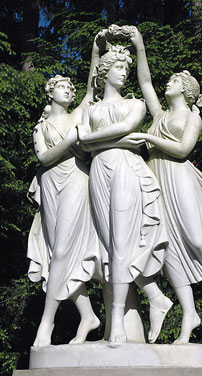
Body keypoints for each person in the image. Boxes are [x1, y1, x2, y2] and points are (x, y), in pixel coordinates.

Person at [127, 28, 202, 344]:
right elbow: (144, 82)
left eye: (175, 81)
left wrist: (149, 138)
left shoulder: (192, 117)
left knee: (195, 237)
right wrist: (139, 46)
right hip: (154, 181)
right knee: (166, 251)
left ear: (187, 90)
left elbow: (182, 150)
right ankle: (188, 314)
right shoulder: (159, 113)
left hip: (179, 178)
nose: (168, 83)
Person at [79, 44, 173, 343]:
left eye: (126, 69)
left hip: (125, 168)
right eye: (119, 68)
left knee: (121, 242)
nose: (124, 73)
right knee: (108, 245)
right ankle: (155, 297)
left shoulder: (136, 105)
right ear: (104, 72)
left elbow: (127, 126)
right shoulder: (91, 109)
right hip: (99, 171)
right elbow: (82, 144)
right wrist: (99, 142)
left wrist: (92, 140)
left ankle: (117, 323)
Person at [27, 39, 103, 347]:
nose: (69, 91)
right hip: (51, 186)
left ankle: (46, 324)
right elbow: (44, 159)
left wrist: (96, 50)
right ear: (51, 92)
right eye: (63, 88)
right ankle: (88, 315)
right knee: (60, 253)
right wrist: (70, 139)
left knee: (60, 253)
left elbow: (91, 87)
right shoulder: (41, 127)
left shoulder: (78, 114)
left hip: (75, 180)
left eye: (71, 89)